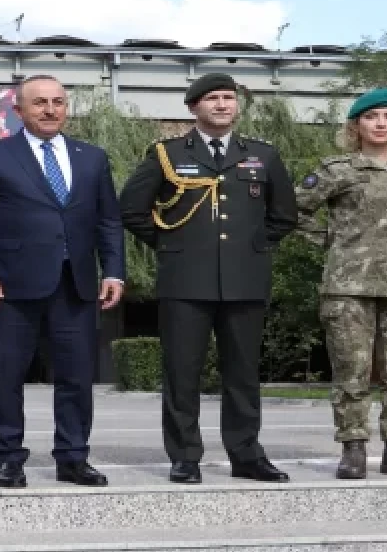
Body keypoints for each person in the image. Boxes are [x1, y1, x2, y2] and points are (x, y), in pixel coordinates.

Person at [118, 73, 297, 484]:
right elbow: (131, 209)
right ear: (193, 107)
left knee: (243, 373)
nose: (222, 105)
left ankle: (247, 454)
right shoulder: (166, 153)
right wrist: (170, 243)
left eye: (228, 98)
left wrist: (252, 246)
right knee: (182, 372)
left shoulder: (263, 156)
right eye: (213, 98)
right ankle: (185, 456)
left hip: (245, 281)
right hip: (185, 282)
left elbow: (284, 216)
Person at [0, 74, 125, 489]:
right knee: (5, 375)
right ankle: (9, 457)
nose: (50, 110)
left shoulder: (92, 158)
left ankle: (72, 457)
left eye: (58, 102)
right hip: (10, 287)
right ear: (19, 111)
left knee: (76, 376)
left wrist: (114, 270)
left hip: (76, 285)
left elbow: (108, 220)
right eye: (39, 103)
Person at [295, 87, 387, 479]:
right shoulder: (337, 171)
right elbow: (298, 210)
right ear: (356, 125)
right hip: (349, 285)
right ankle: (353, 448)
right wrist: (335, 242)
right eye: (371, 117)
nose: (381, 124)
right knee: (352, 370)